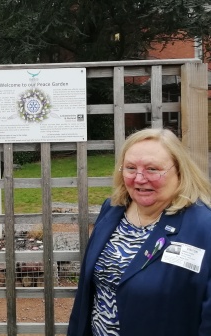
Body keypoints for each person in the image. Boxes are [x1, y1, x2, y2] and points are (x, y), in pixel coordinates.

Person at [67, 128, 211, 336]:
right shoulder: (113, 210)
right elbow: (88, 295)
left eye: (152, 169)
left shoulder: (203, 227)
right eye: (130, 168)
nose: (139, 178)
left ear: (180, 171)